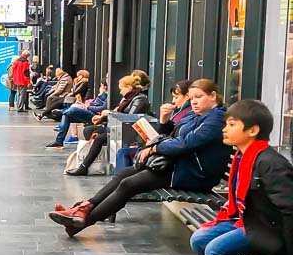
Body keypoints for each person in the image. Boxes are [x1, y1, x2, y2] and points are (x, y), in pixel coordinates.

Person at [49, 79, 230, 236]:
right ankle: (83, 209)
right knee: (124, 174)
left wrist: (154, 148)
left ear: (213, 96)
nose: (194, 102)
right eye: (191, 99)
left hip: (193, 173)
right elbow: (171, 135)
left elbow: (185, 144)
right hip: (177, 165)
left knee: (129, 184)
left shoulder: (215, 119)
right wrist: (164, 120)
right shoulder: (195, 114)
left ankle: (81, 221)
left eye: (199, 97)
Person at [190, 100, 293, 255]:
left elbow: (289, 208)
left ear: (253, 130)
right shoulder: (243, 155)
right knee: (199, 239)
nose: (224, 129)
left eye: (232, 124)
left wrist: (289, 251)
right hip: (248, 220)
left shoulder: (270, 163)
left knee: (217, 251)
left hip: (268, 230)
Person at [61, 74, 150, 168]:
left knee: (99, 139)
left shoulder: (139, 99)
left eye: (121, 89)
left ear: (128, 87)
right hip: (118, 127)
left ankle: (84, 166)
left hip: (129, 132)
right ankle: (96, 160)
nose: (120, 92)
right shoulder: (128, 98)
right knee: (88, 130)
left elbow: (130, 118)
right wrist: (102, 118)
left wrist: (108, 114)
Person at [46, 79, 107, 149]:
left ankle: (62, 111)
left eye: (101, 86)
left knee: (72, 110)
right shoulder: (102, 95)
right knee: (67, 115)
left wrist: (89, 107)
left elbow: (103, 107)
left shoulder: (106, 95)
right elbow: (93, 103)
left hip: (95, 115)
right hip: (90, 111)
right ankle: (59, 141)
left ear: (104, 87)